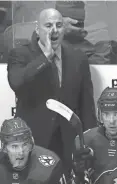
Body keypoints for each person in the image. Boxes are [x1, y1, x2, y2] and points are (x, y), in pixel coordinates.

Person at [7, 8, 96, 181]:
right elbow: (17, 84)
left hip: (68, 144)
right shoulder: (20, 54)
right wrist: (46, 57)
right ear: (37, 28)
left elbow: (86, 105)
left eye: (58, 25)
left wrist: (88, 143)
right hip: (34, 142)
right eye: (48, 25)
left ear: (64, 29)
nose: (54, 30)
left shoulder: (78, 58)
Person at [75, 87, 117, 184]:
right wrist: (78, 173)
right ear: (100, 114)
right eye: (106, 114)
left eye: (116, 114)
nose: (111, 121)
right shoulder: (85, 139)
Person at [0, 117, 65, 184]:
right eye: (14, 146)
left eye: (25, 144)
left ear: (31, 144)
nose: (21, 152)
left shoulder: (48, 168)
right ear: (5, 148)